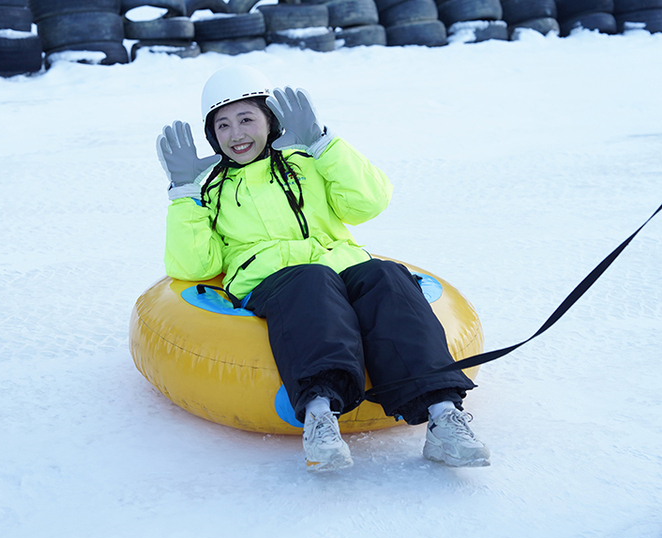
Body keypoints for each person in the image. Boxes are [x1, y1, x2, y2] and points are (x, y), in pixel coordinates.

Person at [157, 65, 490, 472]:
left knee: (386, 276)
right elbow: (194, 264)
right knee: (311, 280)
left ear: (270, 120)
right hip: (274, 283)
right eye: (223, 125)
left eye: (247, 119)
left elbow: (368, 202)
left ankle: (443, 418)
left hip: (344, 268)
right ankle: (319, 417)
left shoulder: (307, 161)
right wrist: (184, 193)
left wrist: (323, 144)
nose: (236, 134)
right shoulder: (211, 189)